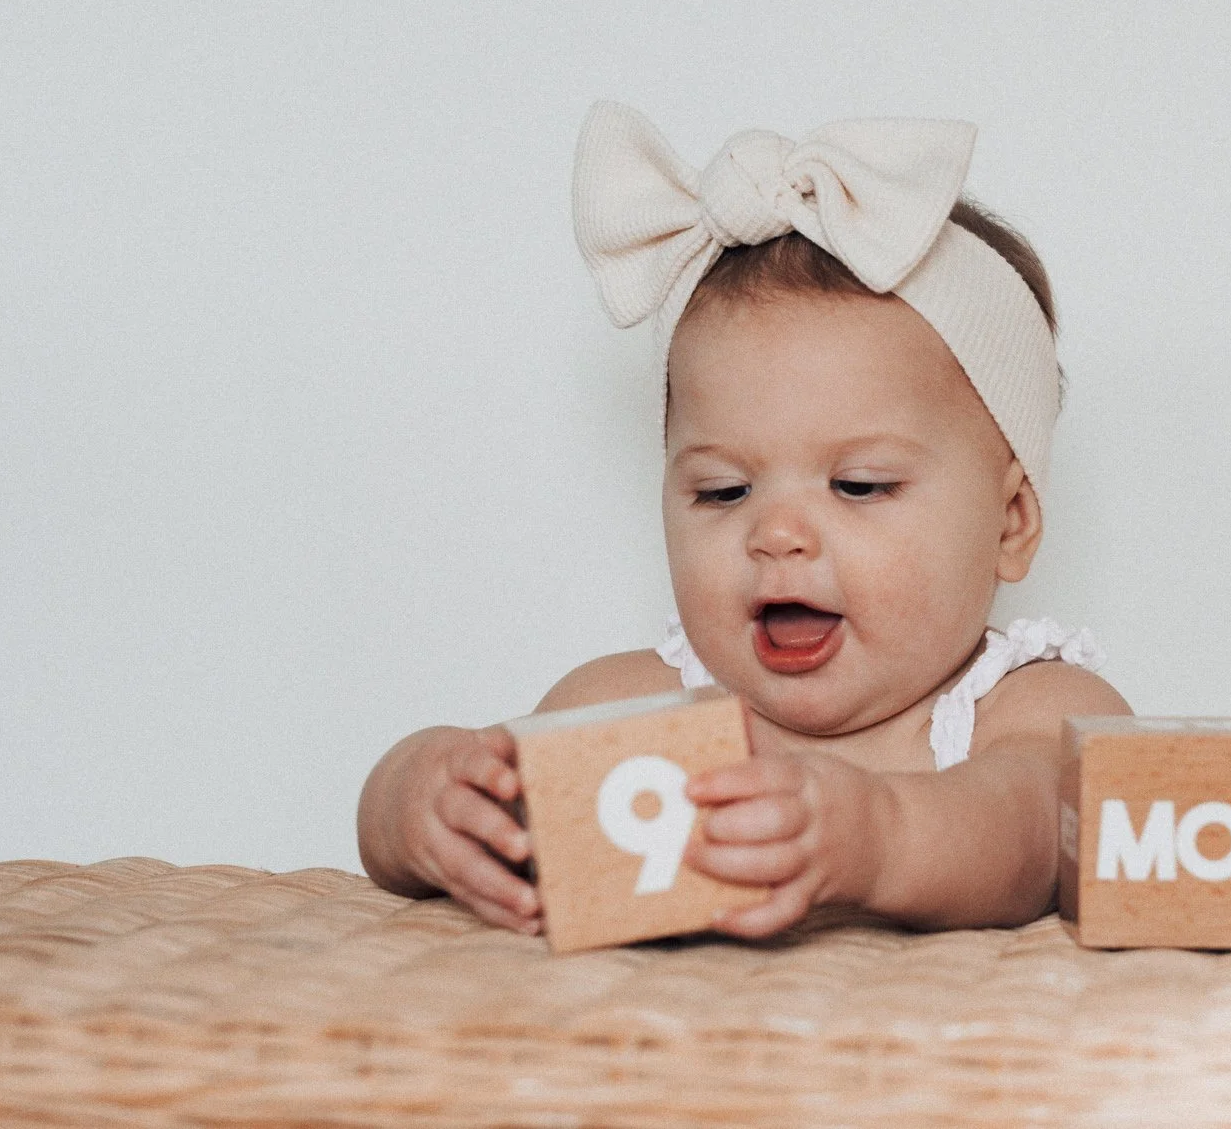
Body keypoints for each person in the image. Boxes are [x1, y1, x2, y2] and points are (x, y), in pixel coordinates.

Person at [356, 102, 1132, 938]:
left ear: (1011, 520)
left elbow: (1023, 837)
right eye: (724, 491)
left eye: (859, 484)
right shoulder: (636, 702)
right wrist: (418, 801)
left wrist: (875, 837)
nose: (777, 533)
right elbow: (460, 813)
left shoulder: (1036, 712)